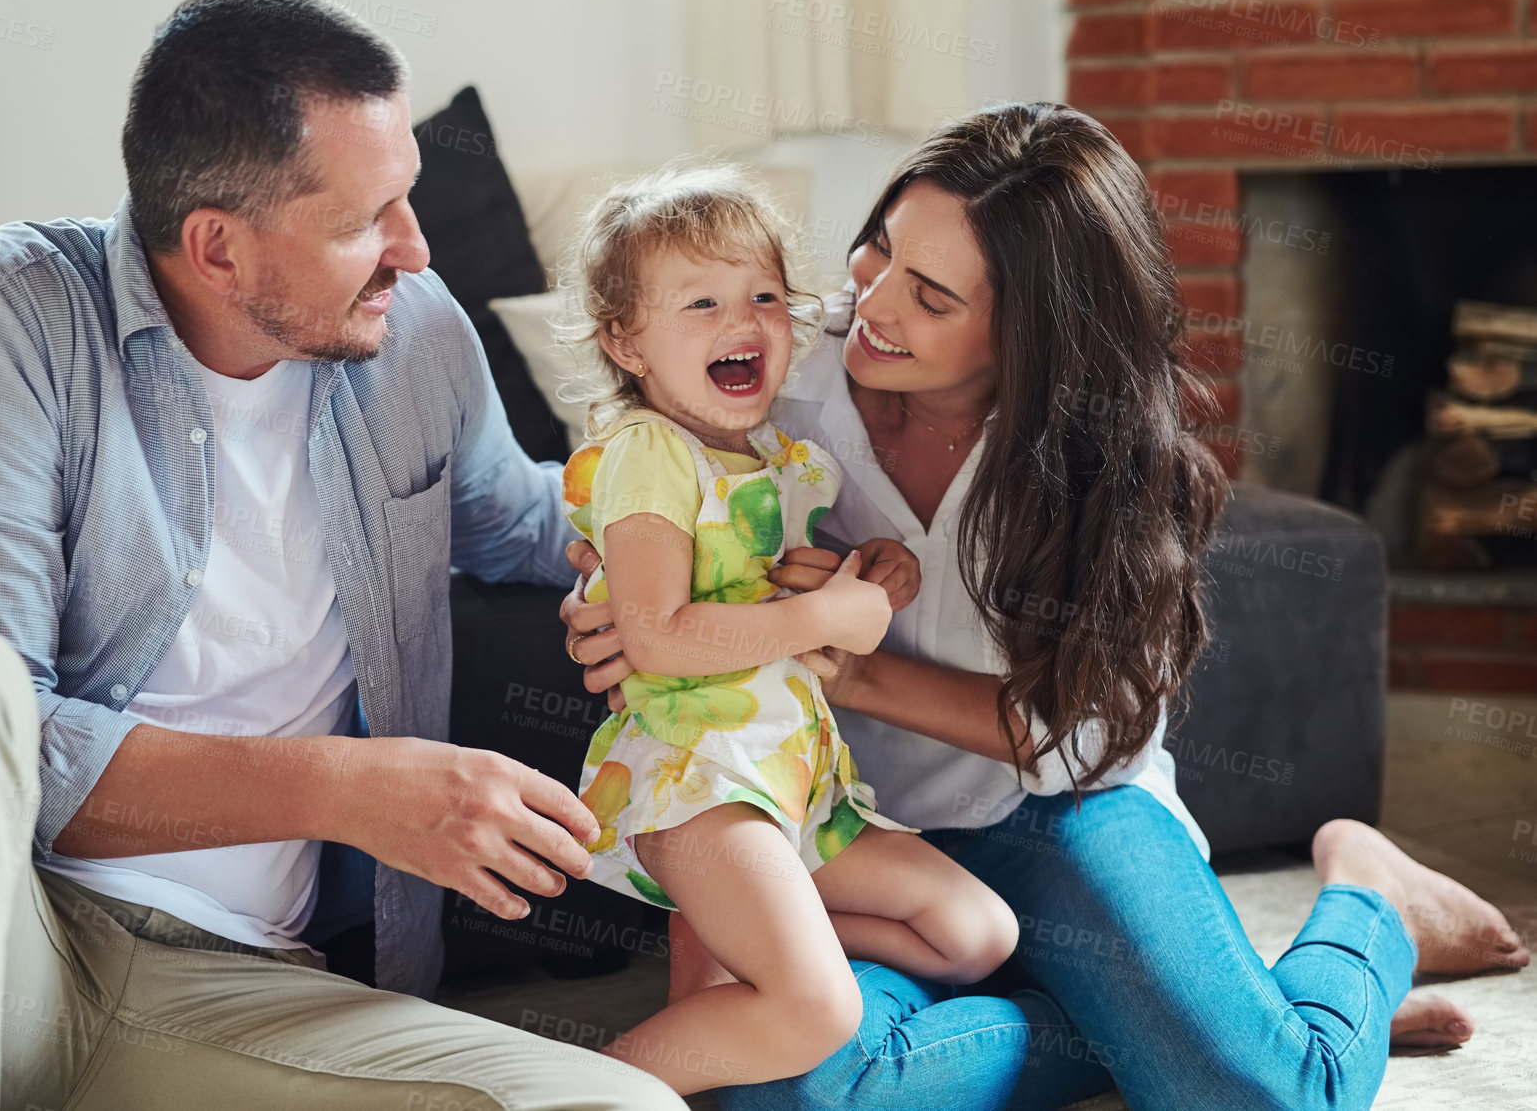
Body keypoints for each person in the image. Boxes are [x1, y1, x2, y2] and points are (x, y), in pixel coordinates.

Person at [0, 0, 685, 1111]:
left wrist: (747, 559)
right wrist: (345, 789)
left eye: (406, 197)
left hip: (240, 988)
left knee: (621, 1108)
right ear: (217, 248)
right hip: (0, 940)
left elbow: (532, 522)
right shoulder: (1, 314)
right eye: (365, 221)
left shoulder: (416, 338)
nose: (413, 251)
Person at [562, 102, 1531, 1111]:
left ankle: (1369, 904)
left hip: (1063, 811)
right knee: (792, 1090)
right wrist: (607, 591)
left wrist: (857, 668)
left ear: (1030, 331)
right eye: (878, 250)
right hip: (852, 826)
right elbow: (638, 486)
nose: (874, 304)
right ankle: (1192, 1013)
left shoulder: (1100, 454)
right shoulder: (774, 377)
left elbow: (1084, 740)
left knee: (1272, 1097)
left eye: (931, 297)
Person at [552, 166, 1018, 1094]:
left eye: (765, 294)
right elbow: (657, 637)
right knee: (818, 1009)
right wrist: (824, 616)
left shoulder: (777, 452)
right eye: (700, 302)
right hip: (702, 777)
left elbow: (780, 576)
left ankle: (745, 929)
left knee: (977, 936)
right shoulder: (648, 453)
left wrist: (877, 568)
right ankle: (576, 1093)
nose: (744, 320)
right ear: (624, 341)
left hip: (797, 779)